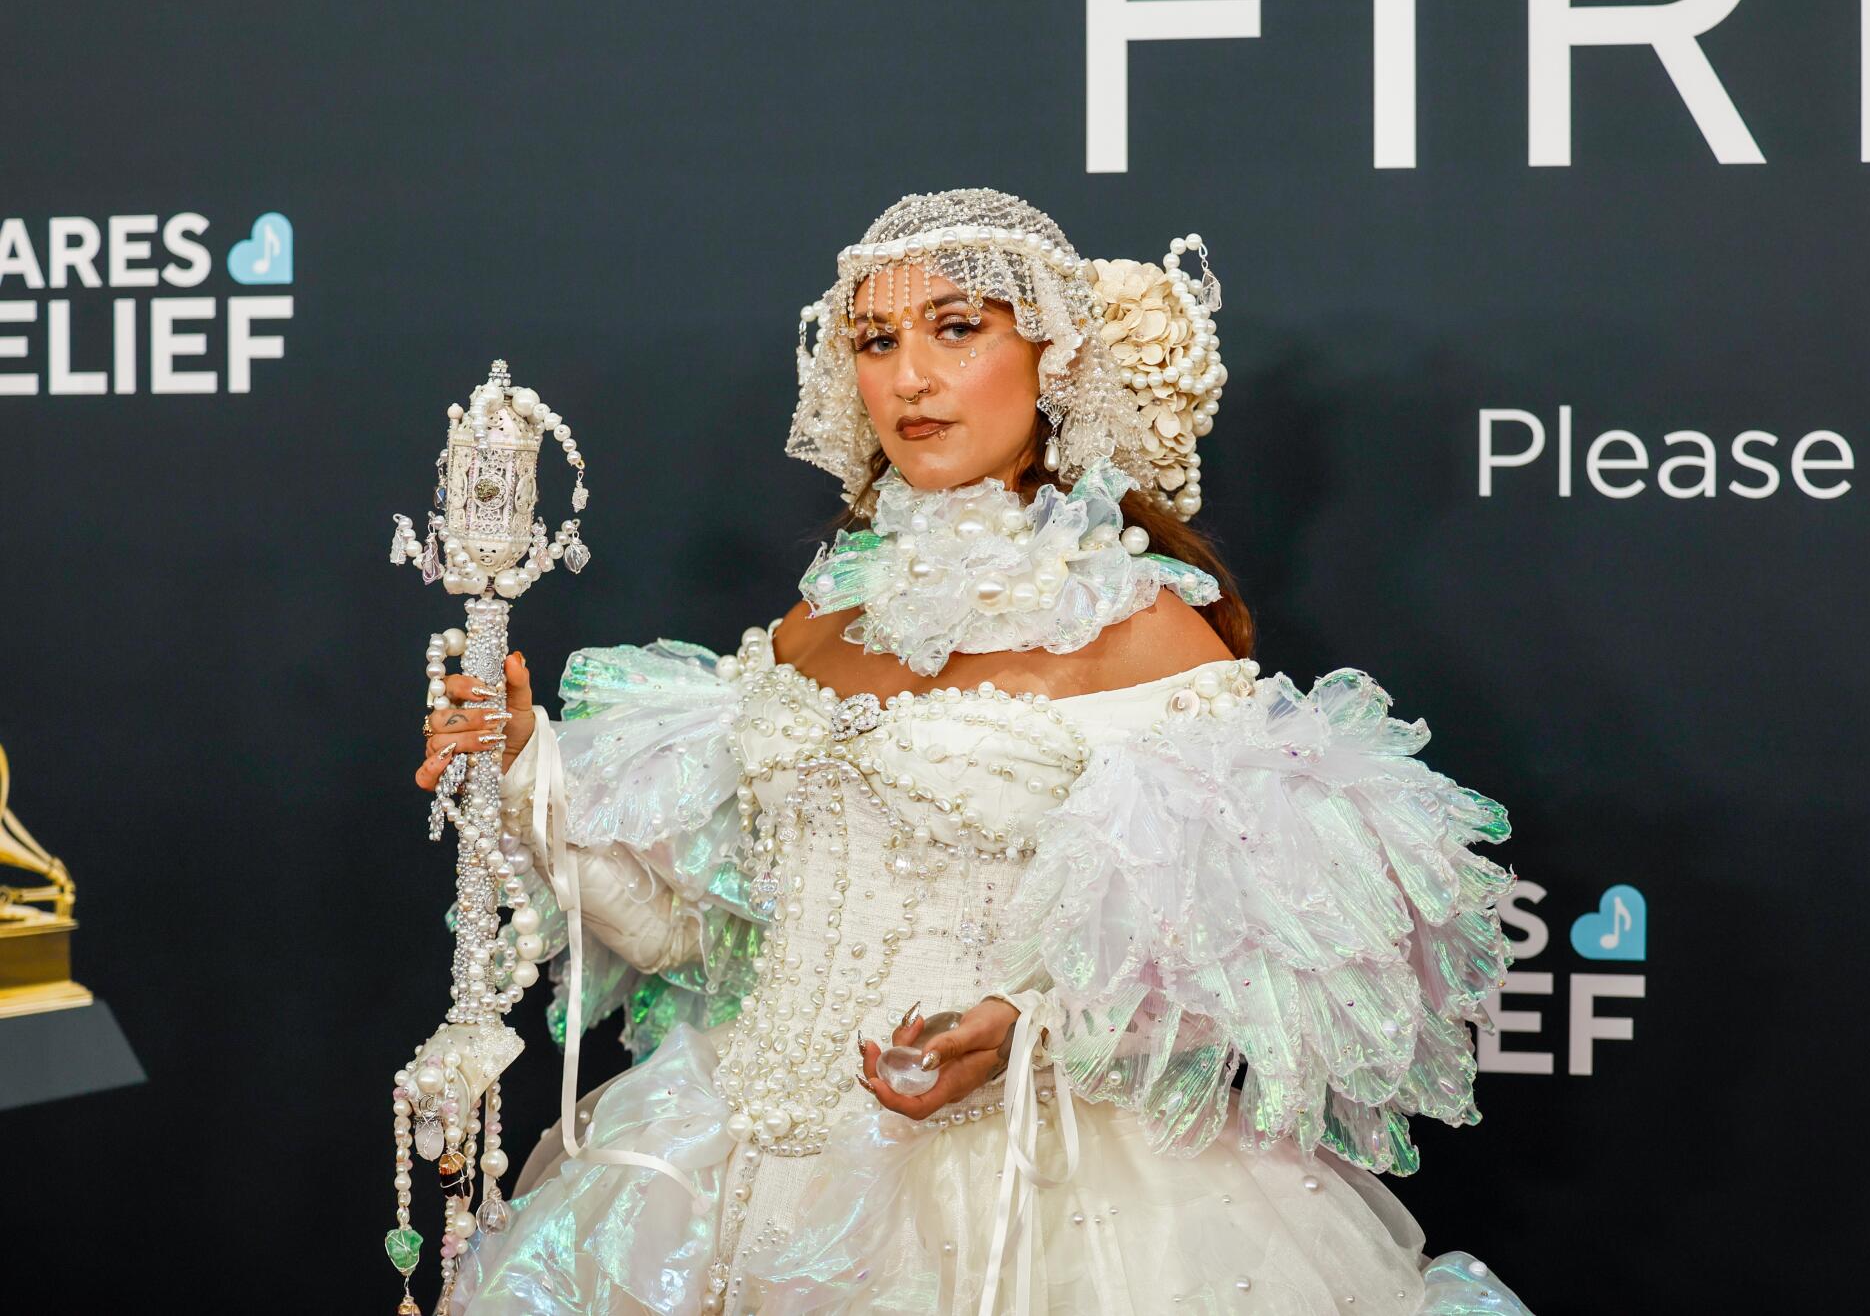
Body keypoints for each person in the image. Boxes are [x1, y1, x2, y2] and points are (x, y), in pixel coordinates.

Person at [416, 188, 1536, 1315]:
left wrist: (1026, 1028)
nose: (909, 376)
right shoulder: (811, 627)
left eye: (956, 329)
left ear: (1050, 356)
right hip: (718, 1168)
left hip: (1027, 1199)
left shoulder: (1144, 628)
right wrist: (523, 768)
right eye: (875, 340)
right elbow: (701, 939)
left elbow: (1233, 959)